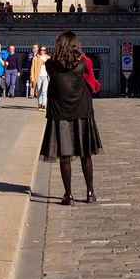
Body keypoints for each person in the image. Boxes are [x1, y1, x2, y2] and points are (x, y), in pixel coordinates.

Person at [40, 30, 104, 204]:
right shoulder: (83, 63)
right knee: (86, 155)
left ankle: (68, 195)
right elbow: (93, 83)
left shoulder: (50, 65)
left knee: (65, 156)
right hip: (82, 111)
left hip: (60, 113)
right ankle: (90, 192)